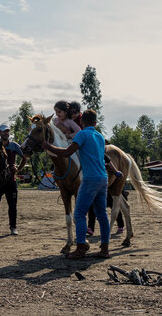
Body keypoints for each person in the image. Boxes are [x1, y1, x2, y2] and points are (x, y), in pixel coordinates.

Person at [42, 109, 111, 259]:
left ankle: (80, 248)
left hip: (90, 179)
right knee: (102, 215)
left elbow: (67, 152)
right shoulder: (99, 136)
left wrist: (48, 147)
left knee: (79, 213)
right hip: (103, 178)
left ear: (82, 122)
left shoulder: (82, 134)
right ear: (95, 122)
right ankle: (105, 249)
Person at [0, 124, 27, 236]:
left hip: (10, 180)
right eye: (4, 131)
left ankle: (13, 227)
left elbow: (24, 158)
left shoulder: (14, 146)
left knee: (12, 205)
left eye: (7, 131)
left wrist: (18, 169)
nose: (6, 133)